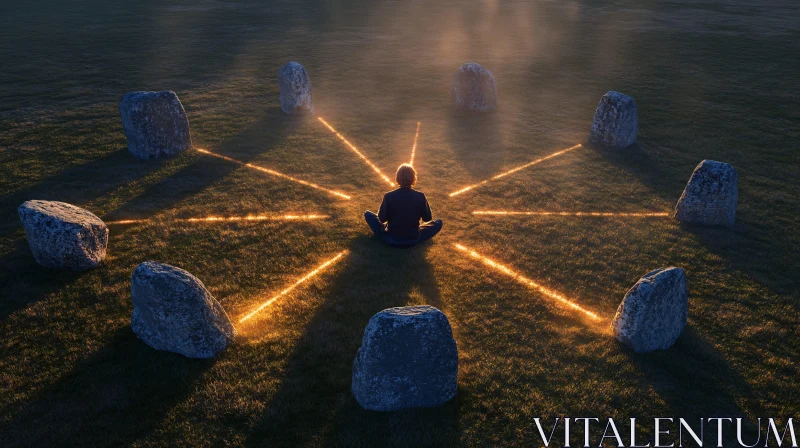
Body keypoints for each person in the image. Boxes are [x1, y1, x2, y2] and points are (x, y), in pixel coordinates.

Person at [364, 164, 443, 248]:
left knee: (368, 214)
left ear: (397, 178)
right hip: (413, 239)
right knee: (438, 223)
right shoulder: (420, 196)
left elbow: (381, 219)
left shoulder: (389, 196)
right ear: (413, 178)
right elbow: (427, 218)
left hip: (391, 238)